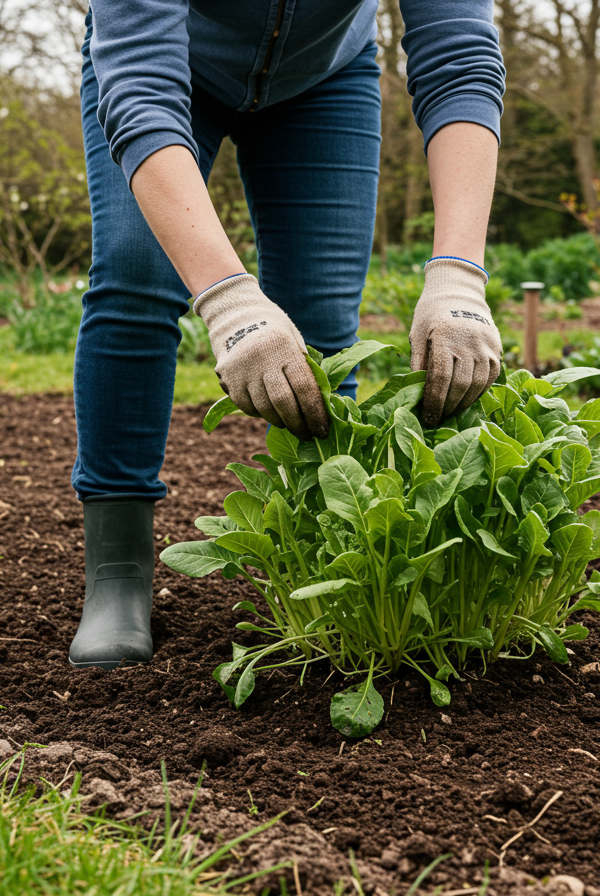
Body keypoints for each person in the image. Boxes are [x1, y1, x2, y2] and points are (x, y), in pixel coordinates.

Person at [70, 1, 506, 669]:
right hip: (168, 69)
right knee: (136, 274)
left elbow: (459, 55)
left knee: (323, 326)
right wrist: (225, 298)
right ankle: (118, 573)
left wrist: (458, 275)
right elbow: (141, 87)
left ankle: (325, 555)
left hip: (324, 75)